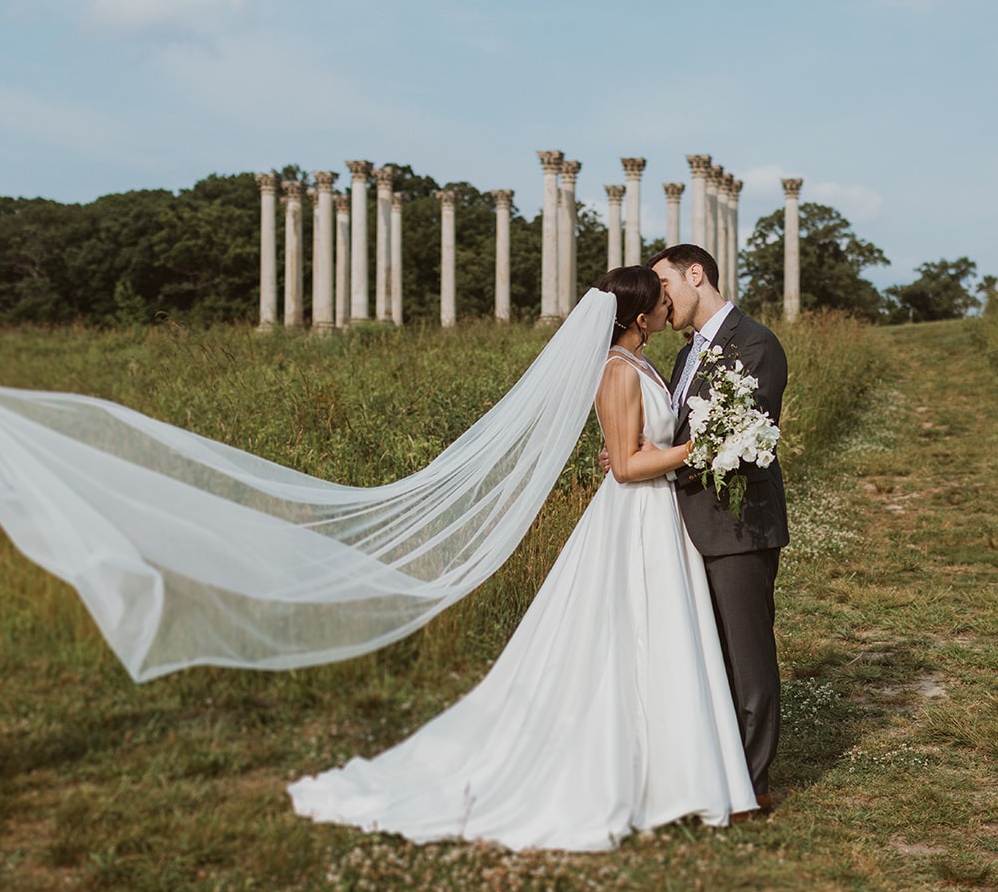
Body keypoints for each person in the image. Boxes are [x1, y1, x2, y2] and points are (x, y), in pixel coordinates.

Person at [288, 266, 758, 851]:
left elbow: (637, 450)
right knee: (631, 637)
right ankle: (635, 776)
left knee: (665, 640)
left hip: (660, 519)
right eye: (662, 301)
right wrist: (702, 447)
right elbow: (629, 464)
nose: (670, 306)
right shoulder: (616, 371)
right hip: (635, 520)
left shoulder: (642, 364)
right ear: (641, 318)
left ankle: (676, 776)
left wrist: (679, 448)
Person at [647, 244, 789, 814]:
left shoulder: (756, 344)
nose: (660, 300)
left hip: (737, 525)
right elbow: (684, 432)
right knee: (708, 654)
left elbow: (740, 438)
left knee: (747, 658)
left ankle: (749, 784)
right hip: (686, 524)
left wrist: (657, 459)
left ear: (696, 274)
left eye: (664, 286)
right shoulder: (686, 357)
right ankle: (715, 767)